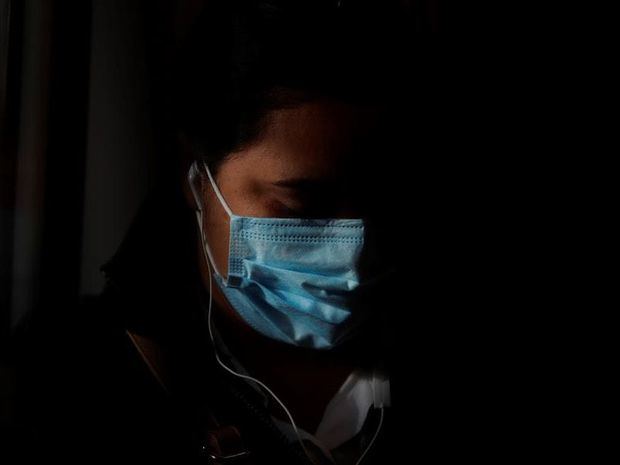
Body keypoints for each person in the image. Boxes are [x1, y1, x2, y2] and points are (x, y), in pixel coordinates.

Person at [7, 1, 419, 463]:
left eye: (379, 193)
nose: (357, 245)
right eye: (302, 203)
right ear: (198, 178)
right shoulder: (65, 385)